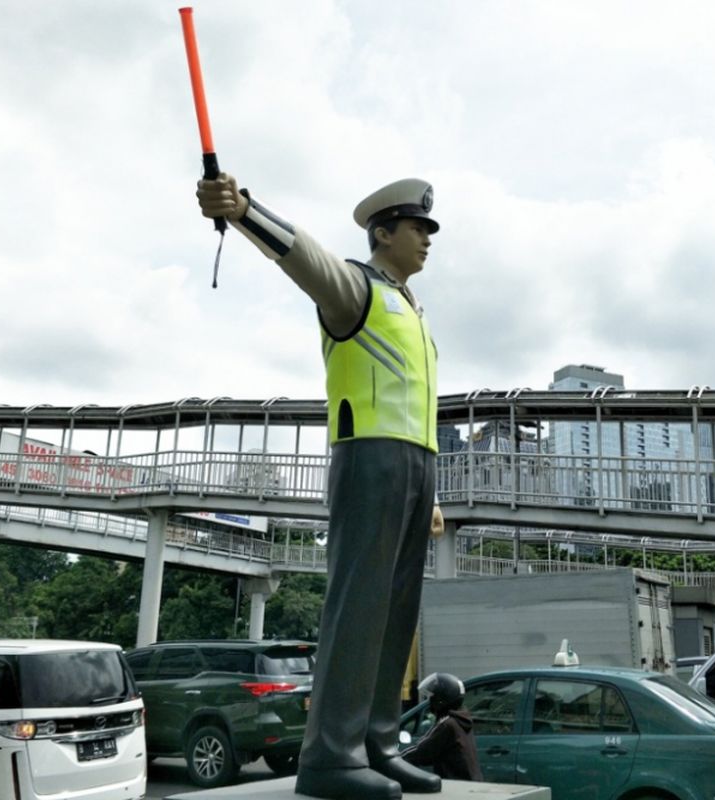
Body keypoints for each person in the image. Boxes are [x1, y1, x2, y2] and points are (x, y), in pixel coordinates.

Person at [196, 174, 445, 800]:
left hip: (419, 464)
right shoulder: (357, 289)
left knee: (396, 613)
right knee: (358, 605)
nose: (427, 241)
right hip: (369, 459)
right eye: (417, 228)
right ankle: (333, 753)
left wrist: (432, 492)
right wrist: (247, 211)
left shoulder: (414, 311)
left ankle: (379, 744)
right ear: (383, 233)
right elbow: (304, 258)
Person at [402, 672, 483, 782]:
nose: (429, 701)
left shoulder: (447, 724)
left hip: (456, 789)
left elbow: (421, 751)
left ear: (441, 699)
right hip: (470, 785)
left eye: (431, 697)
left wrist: (397, 759)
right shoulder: (460, 720)